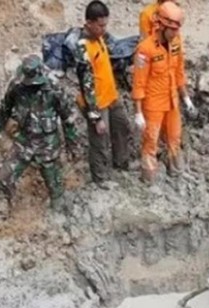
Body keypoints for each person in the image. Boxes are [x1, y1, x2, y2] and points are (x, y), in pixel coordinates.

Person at [0, 54, 77, 212]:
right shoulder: (16, 86)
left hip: (47, 145)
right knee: (4, 178)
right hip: (24, 141)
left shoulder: (53, 88)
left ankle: (58, 207)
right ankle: (3, 205)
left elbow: (67, 117)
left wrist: (72, 144)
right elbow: (5, 108)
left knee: (55, 186)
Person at [131, 1, 196, 183]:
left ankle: (176, 172)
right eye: (172, 30)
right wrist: (138, 112)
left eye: (177, 30)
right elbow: (139, 82)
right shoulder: (145, 50)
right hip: (153, 103)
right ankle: (149, 179)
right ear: (161, 26)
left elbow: (179, 72)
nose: (176, 34)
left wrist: (186, 99)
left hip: (172, 100)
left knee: (175, 138)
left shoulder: (175, 43)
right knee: (151, 141)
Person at [70, 0, 132, 188]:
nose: (104, 29)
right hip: (96, 102)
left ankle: (121, 163)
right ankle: (101, 178)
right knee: (100, 140)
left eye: (105, 24)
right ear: (89, 23)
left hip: (111, 96)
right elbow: (86, 84)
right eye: (100, 25)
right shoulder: (82, 48)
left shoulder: (100, 38)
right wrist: (95, 117)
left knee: (123, 126)